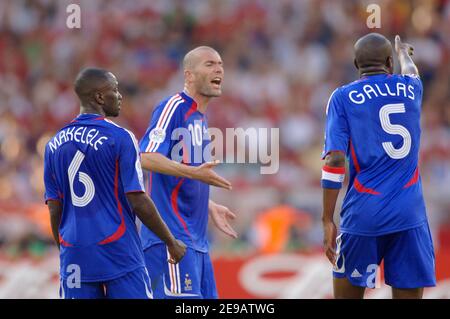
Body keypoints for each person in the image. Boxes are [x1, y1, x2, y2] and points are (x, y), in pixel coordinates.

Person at [43, 68, 186, 299]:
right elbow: (137, 199)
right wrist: (170, 241)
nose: (120, 96)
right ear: (99, 97)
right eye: (115, 90)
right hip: (118, 250)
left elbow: (54, 208)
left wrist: (66, 251)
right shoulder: (120, 137)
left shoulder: (53, 145)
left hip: (75, 254)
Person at [321, 33, 436, 299]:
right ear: (388, 61)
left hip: (363, 214)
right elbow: (411, 71)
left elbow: (335, 159)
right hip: (410, 214)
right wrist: (404, 54)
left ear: (355, 63)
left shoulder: (342, 97)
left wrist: (327, 218)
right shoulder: (411, 88)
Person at [139, 46, 237, 299]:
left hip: (196, 243)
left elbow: (181, 173)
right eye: (209, 64)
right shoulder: (173, 107)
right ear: (189, 75)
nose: (218, 69)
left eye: (221, 64)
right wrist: (195, 175)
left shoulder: (200, 118)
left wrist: (208, 204)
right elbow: (145, 157)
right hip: (170, 240)